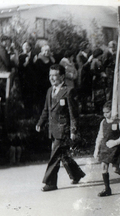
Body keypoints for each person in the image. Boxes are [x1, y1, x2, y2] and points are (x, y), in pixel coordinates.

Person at [36, 64, 85, 192]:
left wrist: (73, 131)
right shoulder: (49, 91)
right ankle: (76, 174)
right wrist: (40, 123)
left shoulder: (68, 91)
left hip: (64, 129)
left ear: (62, 76)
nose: (52, 78)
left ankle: (51, 183)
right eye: (50, 75)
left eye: (55, 75)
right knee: (63, 155)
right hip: (53, 129)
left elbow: (73, 114)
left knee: (55, 155)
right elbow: (46, 110)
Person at [93, 101, 120, 196]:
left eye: (107, 112)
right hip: (105, 146)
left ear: (113, 111)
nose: (105, 114)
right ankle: (107, 189)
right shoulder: (103, 122)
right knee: (103, 166)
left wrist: (115, 142)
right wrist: (96, 149)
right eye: (104, 112)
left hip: (115, 148)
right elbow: (100, 136)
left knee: (116, 169)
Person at [34, 45, 55, 115]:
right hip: (41, 83)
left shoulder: (50, 60)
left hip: (49, 82)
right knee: (42, 100)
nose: (47, 52)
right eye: (46, 51)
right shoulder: (39, 60)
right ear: (42, 51)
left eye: (48, 51)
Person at [18, 42, 35, 116]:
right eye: (24, 45)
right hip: (24, 79)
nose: (26, 47)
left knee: (31, 95)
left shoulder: (33, 55)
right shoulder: (20, 56)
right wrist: (26, 62)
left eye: (27, 46)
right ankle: (26, 113)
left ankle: (31, 112)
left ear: (30, 47)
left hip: (31, 78)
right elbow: (20, 68)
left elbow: (35, 67)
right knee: (25, 95)